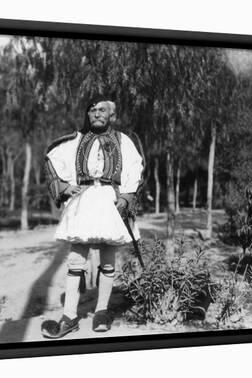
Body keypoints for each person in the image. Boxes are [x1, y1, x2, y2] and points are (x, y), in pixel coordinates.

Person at [41, 95, 145, 339]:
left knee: (108, 258)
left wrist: (127, 196)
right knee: (76, 259)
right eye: (92, 110)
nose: (97, 114)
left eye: (102, 110)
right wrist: (64, 187)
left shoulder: (123, 140)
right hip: (84, 198)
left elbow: (135, 166)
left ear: (112, 116)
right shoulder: (76, 140)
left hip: (110, 198)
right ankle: (69, 317)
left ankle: (101, 311)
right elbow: (52, 158)